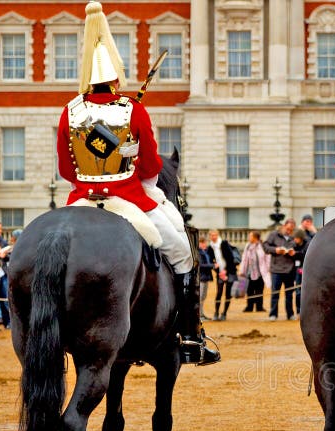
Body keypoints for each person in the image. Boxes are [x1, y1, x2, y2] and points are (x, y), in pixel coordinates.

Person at [55, 2, 218, 365]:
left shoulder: (71, 111)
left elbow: (67, 170)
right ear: (115, 78)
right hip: (127, 200)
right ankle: (190, 335)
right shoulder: (133, 110)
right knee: (181, 253)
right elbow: (149, 167)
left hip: (79, 200)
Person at [263, 219, 298, 320]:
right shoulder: (274, 234)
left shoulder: (294, 237)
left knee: (289, 294)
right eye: (287, 229)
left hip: (290, 270)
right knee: (275, 293)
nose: (289, 231)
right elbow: (265, 246)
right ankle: (273, 314)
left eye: (291, 230)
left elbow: (301, 249)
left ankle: (290, 314)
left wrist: (293, 253)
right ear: (284, 226)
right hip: (276, 270)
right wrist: (275, 250)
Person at [207, 228, 237, 320]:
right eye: (212, 235)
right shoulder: (210, 247)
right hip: (220, 273)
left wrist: (226, 271)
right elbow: (211, 261)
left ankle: (224, 313)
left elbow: (231, 258)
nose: (213, 237)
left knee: (228, 293)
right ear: (210, 236)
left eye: (215, 235)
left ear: (218, 235)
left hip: (229, 272)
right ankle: (216, 312)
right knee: (219, 293)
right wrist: (218, 271)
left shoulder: (224, 244)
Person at [240, 230, 269, 312]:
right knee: (249, 290)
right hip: (249, 272)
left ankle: (259, 307)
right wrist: (242, 270)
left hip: (260, 272)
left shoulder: (262, 246)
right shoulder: (248, 246)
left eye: (250, 236)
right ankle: (249, 306)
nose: (249, 238)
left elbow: (267, 257)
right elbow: (244, 258)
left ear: (255, 237)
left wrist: (267, 269)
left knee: (259, 290)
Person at [197, 235, 214, 320]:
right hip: (201, 277)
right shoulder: (198, 253)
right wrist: (212, 265)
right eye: (202, 243)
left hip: (205, 276)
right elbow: (201, 265)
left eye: (205, 243)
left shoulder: (205, 252)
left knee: (203, 296)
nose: (204, 244)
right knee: (200, 297)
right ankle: (199, 315)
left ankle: (201, 314)